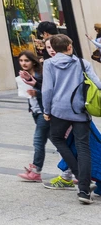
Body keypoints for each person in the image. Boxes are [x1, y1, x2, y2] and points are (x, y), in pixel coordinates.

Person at [42, 33, 101, 204]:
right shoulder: (83, 63)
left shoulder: (48, 64)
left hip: (59, 111)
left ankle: (78, 175)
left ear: (54, 48)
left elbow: (47, 90)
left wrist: (46, 110)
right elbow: (98, 85)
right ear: (69, 47)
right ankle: (83, 190)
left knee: (56, 138)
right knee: (83, 148)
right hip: (81, 111)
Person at [16, 50, 47, 182]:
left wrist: (37, 94)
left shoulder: (41, 74)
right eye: (21, 61)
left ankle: (36, 171)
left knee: (38, 141)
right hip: (36, 112)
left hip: (44, 112)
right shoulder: (25, 75)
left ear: (33, 61)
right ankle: (73, 170)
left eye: (26, 60)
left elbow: (50, 91)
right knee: (60, 143)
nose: (23, 63)